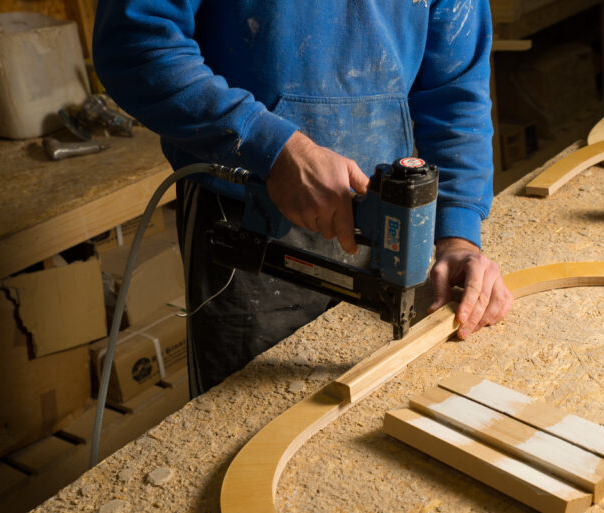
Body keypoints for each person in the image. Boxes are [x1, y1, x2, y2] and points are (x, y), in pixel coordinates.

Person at [93, 0, 513, 397]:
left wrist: (457, 234)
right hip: (248, 221)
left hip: (391, 220)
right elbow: (136, 41)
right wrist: (272, 146)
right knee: (241, 424)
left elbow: (455, 90)